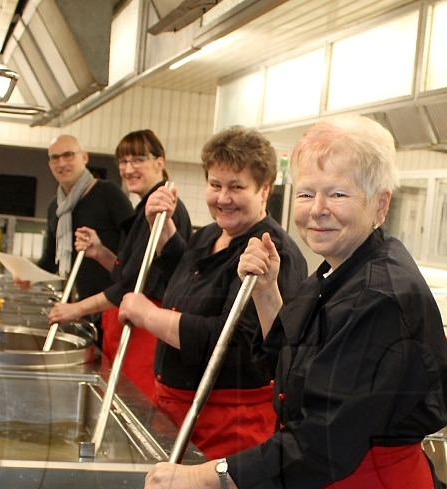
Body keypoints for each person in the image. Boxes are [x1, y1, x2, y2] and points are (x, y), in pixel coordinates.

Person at [138, 117, 447, 489]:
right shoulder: (339, 269)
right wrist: (268, 292)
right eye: (308, 192)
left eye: (338, 193)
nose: (318, 208)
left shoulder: (381, 294)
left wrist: (197, 477)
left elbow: (322, 443)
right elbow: (290, 358)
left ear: (380, 204)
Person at [118, 126, 308, 458]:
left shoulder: (271, 253)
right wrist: (162, 233)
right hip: (176, 408)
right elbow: (190, 274)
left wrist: (147, 314)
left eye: (236, 187)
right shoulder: (209, 234)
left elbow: (232, 340)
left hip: (228, 420)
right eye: (215, 185)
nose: (222, 198)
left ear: (264, 190)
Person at [47, 130, 193, 401]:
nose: (128, 169)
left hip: (147, 333)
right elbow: (128, 272)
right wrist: (100, 252)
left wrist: (75, 309)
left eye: (137, 160)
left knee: (136, 407)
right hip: (132, 326)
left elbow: (131, 285)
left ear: (159, 162)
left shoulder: (164, 212)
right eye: (123, 162)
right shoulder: (144, 211)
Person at [37, 134, 134, 306]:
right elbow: (50, 260)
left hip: (113, 303)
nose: (61, 163)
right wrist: (26, 275)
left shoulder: (109, 194)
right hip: (77, 304)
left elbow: (134, 250)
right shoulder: (56, 207)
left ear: (84, 157)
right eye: (55, 158)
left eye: (68, 155)